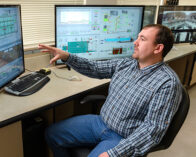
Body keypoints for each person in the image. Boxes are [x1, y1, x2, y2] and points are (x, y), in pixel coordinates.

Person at [39, 24, 182, 157]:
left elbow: (153, 131)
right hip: (100, 122)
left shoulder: (167, 83)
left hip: (123, 137)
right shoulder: (128, 63)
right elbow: (94, 68)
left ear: (158, 48)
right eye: (137, 37)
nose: (135, 42)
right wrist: (67, 57)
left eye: (142, 39)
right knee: (52, 134)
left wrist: (114, 153)